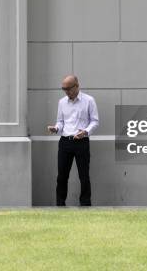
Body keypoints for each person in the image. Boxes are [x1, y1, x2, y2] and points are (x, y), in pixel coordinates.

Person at [47, 75, 99, 206]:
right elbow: (60, 121)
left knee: (84, 176)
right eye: (64, 89)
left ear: (77, 86)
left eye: (68, 89)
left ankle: (86, 204)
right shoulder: (62, 102)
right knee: (62, 176)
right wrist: (56, 128)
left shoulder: (89, 100)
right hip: (65, 142)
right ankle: (60, 204)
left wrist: (85, 132)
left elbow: (95, 121)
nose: (66, 92)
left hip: (81, 142)